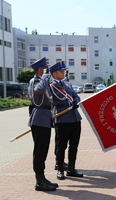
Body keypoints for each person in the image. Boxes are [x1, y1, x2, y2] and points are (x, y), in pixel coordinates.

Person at [49, 62, 83, 180]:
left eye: (63, 71)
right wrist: (68, 103)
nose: (63, 72)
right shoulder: (51, 86)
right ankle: (60, 170)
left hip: (75, 118)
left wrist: (75, 101)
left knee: (74, 145)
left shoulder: (67, 83)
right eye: (60, 71)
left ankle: (71, 168)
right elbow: (54, 101)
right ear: (54, 73)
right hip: (62, 118)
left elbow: (75, 95)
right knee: (61, 146)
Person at [28, 57, 58, 191]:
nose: (48, 71)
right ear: (41, 69)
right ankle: (39, 181)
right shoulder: (35, 81)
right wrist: (45, 76)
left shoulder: (43, 81)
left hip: (44, 118)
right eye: (46, 69)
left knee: (44, 150)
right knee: (39, 151)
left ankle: (42, 177)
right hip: (39, 118)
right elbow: (39, 90)